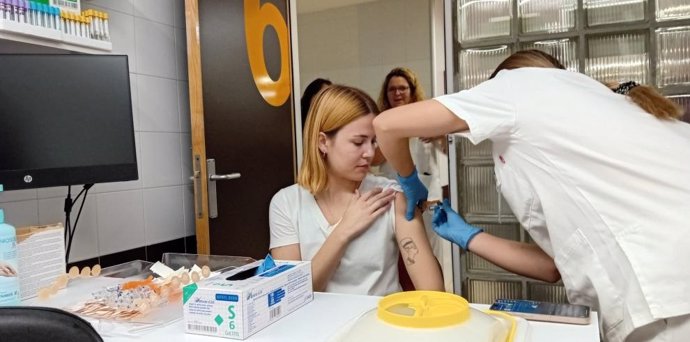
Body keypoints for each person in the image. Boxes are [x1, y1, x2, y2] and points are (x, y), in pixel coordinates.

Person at [373, 50, 690, 342]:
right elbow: (554, 267)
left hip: (668, 292)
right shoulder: (604, 109)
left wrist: (409, 181)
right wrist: (469, 236)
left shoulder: (519, 84)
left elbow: (387, 125)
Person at [269, 84, 443, 296]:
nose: (370, 153)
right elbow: (289, 295)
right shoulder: (286, 203)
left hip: (380, 324)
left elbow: (433, 292)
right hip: (316, 327)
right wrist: (344, 230)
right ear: (323, 142)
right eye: (358, 142)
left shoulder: (390, 197)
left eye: (373, 142)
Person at [375, 67, 447, 290]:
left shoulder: (427, 119)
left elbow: (448, 150)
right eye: (392, 89)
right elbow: (375, 158)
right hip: (394, 197)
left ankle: (432, 296)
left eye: (403, 88)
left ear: (412, 90)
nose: (397, 93)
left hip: (428, 197)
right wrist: (391, 135)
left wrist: (438, 132)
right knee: (399, 254)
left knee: (429, 253)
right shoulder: (381, 123)